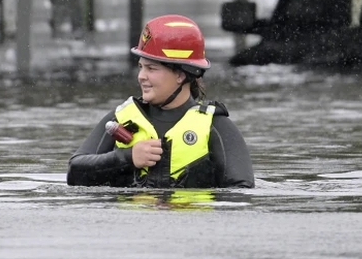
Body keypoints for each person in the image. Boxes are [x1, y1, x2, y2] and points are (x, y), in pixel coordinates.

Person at [67, 14, 255, 188]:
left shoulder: (216, 125)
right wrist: (127, 157)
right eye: (141, 67)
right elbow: (74, 173)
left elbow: (241, 191)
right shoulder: (122, 118)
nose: (141, 76)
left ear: (181, 74)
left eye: (151, 68)